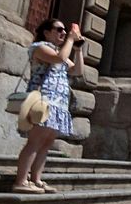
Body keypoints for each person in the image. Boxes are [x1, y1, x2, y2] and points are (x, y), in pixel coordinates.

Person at [12, 18, 86, 194]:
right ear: (46, 32)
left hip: (58, 102)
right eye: (59, 29)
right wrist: (70, 39)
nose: (63, 33)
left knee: (46, 143)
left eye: (64, 30)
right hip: (42, 100)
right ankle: (21, 181)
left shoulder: (60, 51)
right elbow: (59, 59)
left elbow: (77, 71)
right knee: (35, 141)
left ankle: (36, 179)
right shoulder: (39, 47)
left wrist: (78, 49)